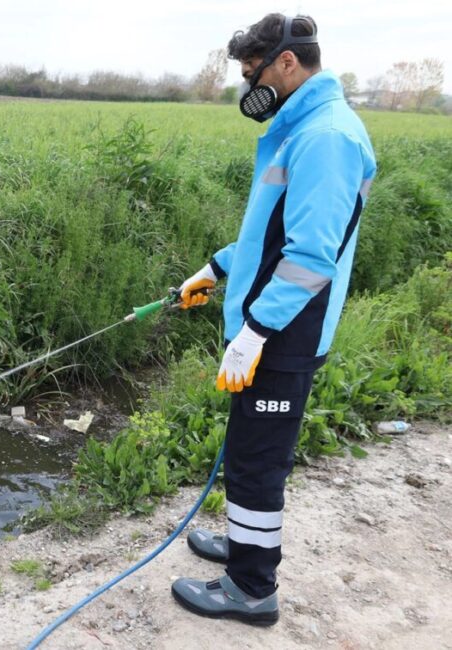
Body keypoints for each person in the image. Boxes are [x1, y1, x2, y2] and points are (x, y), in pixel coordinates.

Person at [169, 13, 377, 626]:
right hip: (267, 326)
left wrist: (256, 333)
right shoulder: (303, 127)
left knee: (259, 461)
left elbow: (312, 257)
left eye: (250, 72)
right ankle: (244, 545)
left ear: (287, 63)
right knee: (247, 447)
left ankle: (251, 589)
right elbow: (271, 235)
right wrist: (215, 269)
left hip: (286, 332)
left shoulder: (327, 137)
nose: (247, 86)